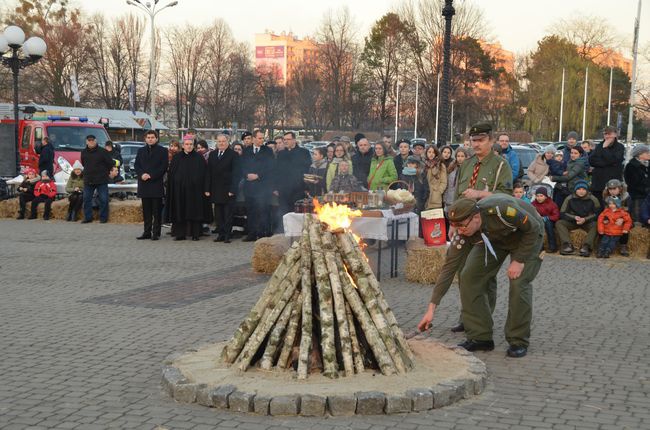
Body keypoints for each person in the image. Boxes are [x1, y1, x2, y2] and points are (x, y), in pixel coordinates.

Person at [419, 195, 544, 358]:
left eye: (463, 226)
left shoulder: (502, 210)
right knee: (469, 276)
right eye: (457, 227)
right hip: (494, 239)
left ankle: (518, 340)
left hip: (527, 237)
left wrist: (519, 260)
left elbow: (532, 228)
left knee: (518, 283)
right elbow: (448, 268)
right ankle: (480, 337)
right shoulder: (464, 230)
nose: (461, 231)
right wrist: (431, 309)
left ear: (476, 217)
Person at [455, 123, 513, 202]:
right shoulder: (466, 164)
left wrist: (480, 194)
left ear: (491, 141)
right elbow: (456, 194)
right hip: (463, 213)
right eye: (474, 140)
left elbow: (506, 195)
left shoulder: (501, 165)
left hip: (487, 213)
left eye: (481, 140)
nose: (476, 144)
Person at [166, 136, 207, 241]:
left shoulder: (199, 158)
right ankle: (180, 234)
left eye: (191, 144)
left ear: (193, 146)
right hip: (179, 191)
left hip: (195, 191)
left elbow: (204, 174)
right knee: (180, 210)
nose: (189, 146)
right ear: (183, 146)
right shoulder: (177, 158)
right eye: (187, 144)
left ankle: (195, 234)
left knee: (195, 211)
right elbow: (171, 174)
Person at [134, 130, 168, 241]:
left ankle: (156, 233)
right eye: (148, 137)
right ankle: (147, 232)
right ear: (145, 139)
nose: (150, 139)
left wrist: (151, 176)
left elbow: (163, 167)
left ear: (156, 138)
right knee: (146, 211)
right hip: (144, 185)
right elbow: (137, 165)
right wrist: (141, 174)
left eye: (152, 137)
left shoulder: (162, 151)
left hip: (156, 185)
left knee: (156, 211)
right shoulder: (141, 151)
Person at [241, 130, 274, 241]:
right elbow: (241, 166)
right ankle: (252, 233)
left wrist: (258, 176)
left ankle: (262, 233)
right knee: (250, 211)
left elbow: (270, 168)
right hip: (249, 187)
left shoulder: (268, 151)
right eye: (259, 138)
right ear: (254, 138)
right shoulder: (246, 151)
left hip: (263, 187)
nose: (261, 140)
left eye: (262, 138)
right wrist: (246, 175)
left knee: (262, 210)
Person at [206, 134, 239, 243]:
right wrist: (207, 189)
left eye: (223, 141)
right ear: (216, 142)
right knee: (218, 214)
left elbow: (236, 174)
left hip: (228, 189)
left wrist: (233, 190)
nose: (221, 143)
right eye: (219, 141)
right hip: (216, 189)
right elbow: (208, 173)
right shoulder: (212, 154)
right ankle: (221, 234)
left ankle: (227, 235)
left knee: (228, 214)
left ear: (228, 142)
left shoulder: (233, 155)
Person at [556, 180, 601, 257]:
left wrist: (585, 219)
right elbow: (562, 213)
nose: (581, 191)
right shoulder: (569, 198)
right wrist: (574, 218)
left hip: (587, 222)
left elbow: (597, 214)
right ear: (575, 190)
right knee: (559, 223)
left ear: (587, 190)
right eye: (579, 189)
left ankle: (586, 246)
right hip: (573, 221)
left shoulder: (593, 199)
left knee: (597, 225)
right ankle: (567, 245)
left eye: (584, 189)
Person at [275, 131, 311, 217]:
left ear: (294, 140)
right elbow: (277, 172)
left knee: (297, 215)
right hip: (283, 191)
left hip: (298, 190)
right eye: (284, 139)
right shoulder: (281, 154)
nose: (286, 141)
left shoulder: (304, 153)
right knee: (284, 215)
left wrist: (306, 187)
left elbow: (307, 171)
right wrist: (276, 188)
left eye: (288, 139)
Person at [80, 135, 113, 223]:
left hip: (101, 179)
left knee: (103, 199)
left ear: (96, 141)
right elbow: (84, 164)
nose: (91, 142)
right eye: (89, 140)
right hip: (88, 179)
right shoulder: (83, 152)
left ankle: (103, 218)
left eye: (93, 140)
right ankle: (88, 218)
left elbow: (110, 163)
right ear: (86, 142)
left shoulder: (103, 151)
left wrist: (105, 171)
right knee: (86, 199)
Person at [589, 126, 625, 207]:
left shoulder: (620, 147)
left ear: (615, 134)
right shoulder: (599, 146)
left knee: (613, 207)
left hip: (612, 184)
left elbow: (614, 160)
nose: (607, 136)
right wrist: (606, 163)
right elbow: (592, 160)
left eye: (609, 134)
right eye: (605, 134)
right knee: (598, 207)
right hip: (598, 183)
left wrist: (605, 149)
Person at [602, 179, 631, 256]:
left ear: (620, 188)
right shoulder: (606, 198)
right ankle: (603, 246)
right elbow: (604, 211)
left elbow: (629, 210)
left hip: (623, 217)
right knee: (603, 225)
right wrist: (606, 219)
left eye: (614, 189)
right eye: (610, 189)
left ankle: (623, 245)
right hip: (610, 217)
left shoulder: (626, 197)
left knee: (625, 227)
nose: (612, 191)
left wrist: (622, 219)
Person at [623, 144, 650, 222]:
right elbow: (633, 184)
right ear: (640, 154)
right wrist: (646, 190)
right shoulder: (631, 166)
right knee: (637, 220)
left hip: (647, 197)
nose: (649, 154)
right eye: (647, 152)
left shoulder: (646, 164)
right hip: (637, 197)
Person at [531, 187, 560, 253]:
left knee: (548, 225)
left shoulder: (552, 204)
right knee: (537, 228)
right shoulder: (533, 204)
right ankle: (539, 246)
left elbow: (556, 215)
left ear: (546, 196)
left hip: (549, 221)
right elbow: (531, 213)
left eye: (541, 196)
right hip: (538, 221)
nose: (539, 198)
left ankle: (552, 246)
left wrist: (547, 218)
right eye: (537, 196)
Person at [423, 145, 448, 210]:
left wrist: (439, 191)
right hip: (423, 197)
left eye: (433, 152)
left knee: (435, 218)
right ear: (426, 153)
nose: (431, 154)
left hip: (435, 197)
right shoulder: (422, 164)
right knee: (423, 219)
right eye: (429, 152)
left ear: (436, 154)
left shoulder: (440, 165)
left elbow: (444, 182)